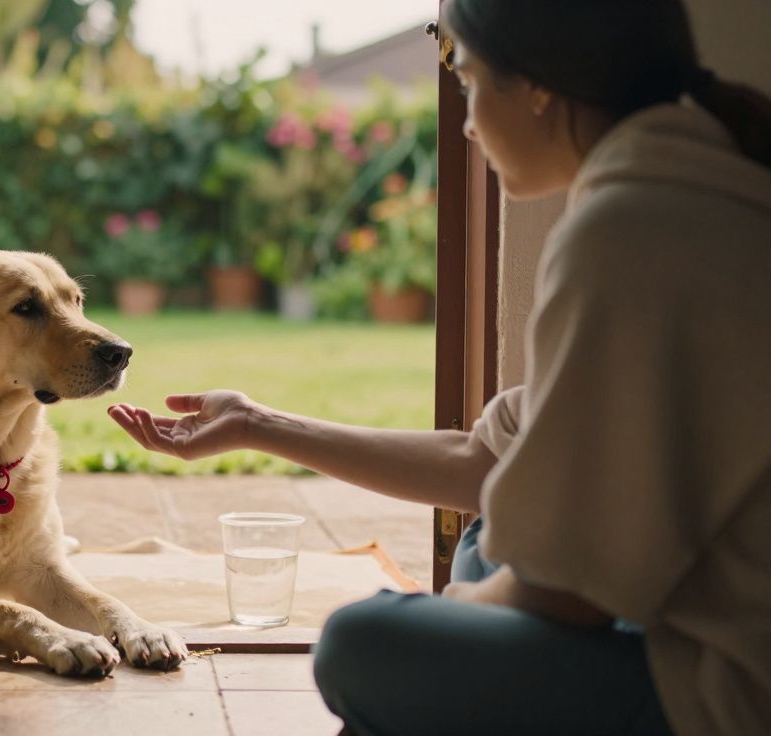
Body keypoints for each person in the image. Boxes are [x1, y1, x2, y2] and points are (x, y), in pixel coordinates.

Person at [107, 1, 771, 733]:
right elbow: (485, 459)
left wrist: (448, 612)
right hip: (668, 618)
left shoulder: (629, 227)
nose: (467, 124)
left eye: (473, 81)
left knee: (364, 643)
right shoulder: (688, 188)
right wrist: (255, 423)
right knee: (485, 547)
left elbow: (567, 594)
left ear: (540, 87)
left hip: (723, 686)